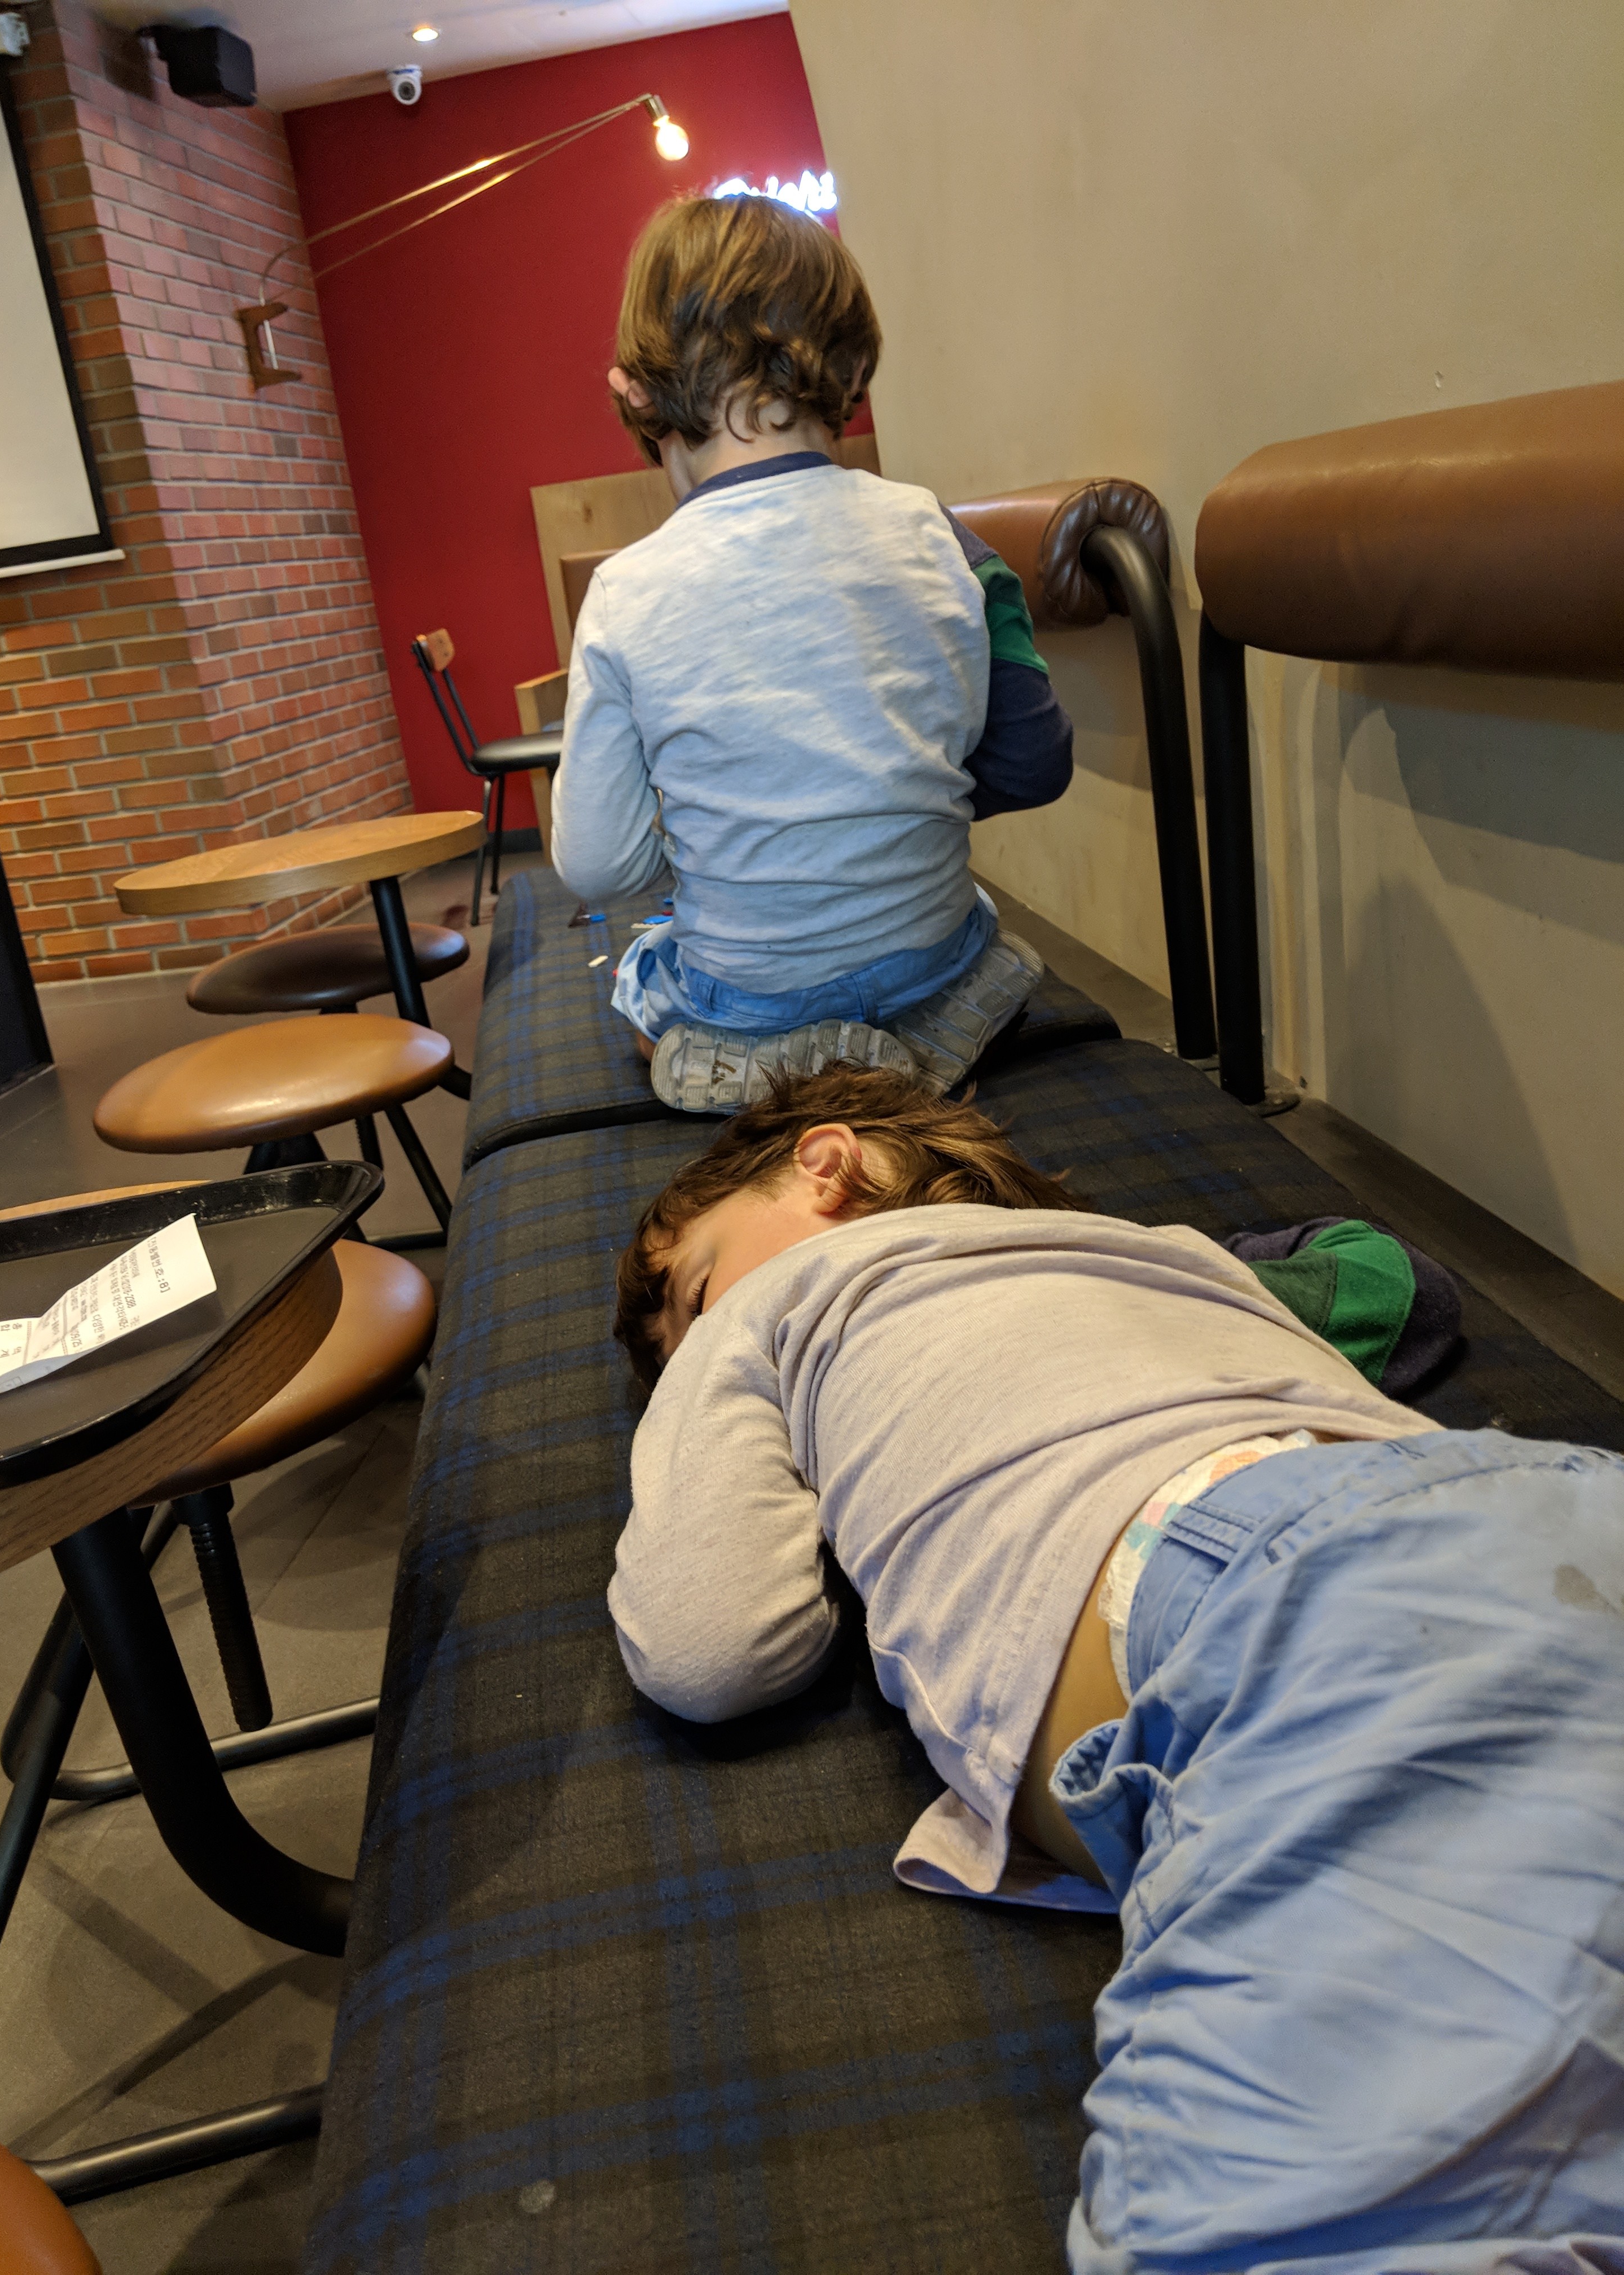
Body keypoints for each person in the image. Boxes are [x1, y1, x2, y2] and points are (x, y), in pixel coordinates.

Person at [607, 1066, 1624, 2274]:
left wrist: (710, 1392)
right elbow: (1397, 1286)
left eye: (696, 1287)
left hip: (1291, 1585)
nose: (696, 1335)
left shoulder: (773, 1308)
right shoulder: (1154, 1254)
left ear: (825, 1166)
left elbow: (710, 1645)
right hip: (1524, 1505)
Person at [550, 194, 1074, 1114]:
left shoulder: (625, 592)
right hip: (933, 960)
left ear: (636, 392)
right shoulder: (941, 536)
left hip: (754, 1000)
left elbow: (598, 868)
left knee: (643, 979)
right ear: (855, 367)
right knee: (979, 930)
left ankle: (773, 1068)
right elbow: (1035, 761)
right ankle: (937, 1027)